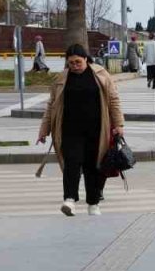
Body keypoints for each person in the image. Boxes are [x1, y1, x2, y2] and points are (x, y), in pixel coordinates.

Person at [36, 44, 125, 216]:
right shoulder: (61, 79)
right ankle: (69, 199)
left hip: (97, 130)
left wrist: (119, 124)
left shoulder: (100, 75)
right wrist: (44, 130)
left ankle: (93, 203)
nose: (75, 66)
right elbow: (51, 106)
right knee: (72, 163)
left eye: (78, 62)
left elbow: (113, 100)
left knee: (93, 166)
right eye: (71, 63)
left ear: (86, 59)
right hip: (70, 130)